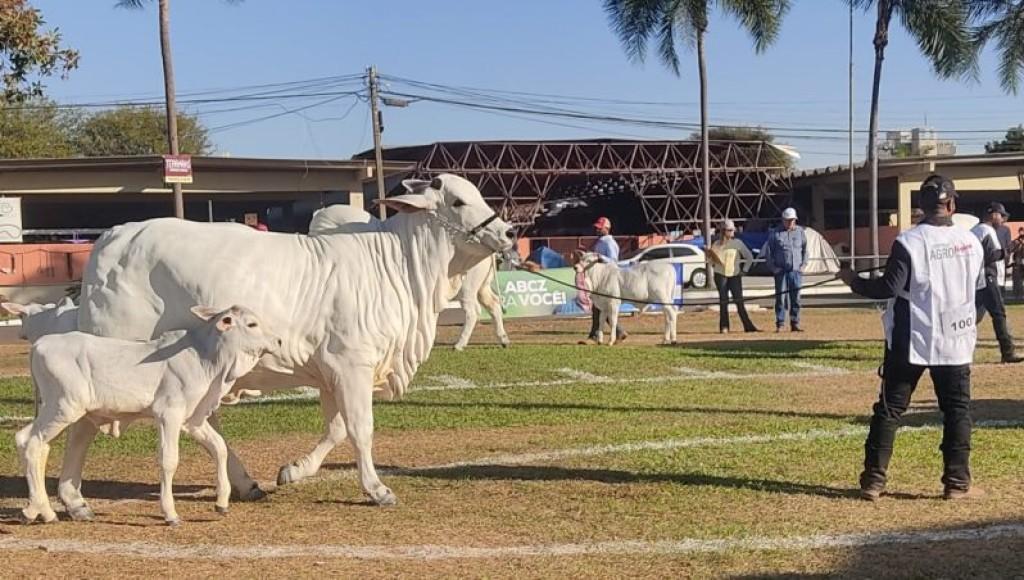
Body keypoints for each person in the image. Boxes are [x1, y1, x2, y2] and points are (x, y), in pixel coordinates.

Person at [839, 175, 985, 501]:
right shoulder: (972, 242)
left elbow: (887, 288)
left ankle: (873, 481)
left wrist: (853, 280)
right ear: (952, 204)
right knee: (957, 411)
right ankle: (957, 484)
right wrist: (970, 322)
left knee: (890, 409)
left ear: (921, 206)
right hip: (956, 340)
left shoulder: (909, 242)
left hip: (912, 338)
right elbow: (982, 293)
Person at [971, 202, 1023, 363]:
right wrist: (1011, 248)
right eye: (1001, 215)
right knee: (999, 314)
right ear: (993, 214)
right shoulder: (987, 231)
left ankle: (953, 346)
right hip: (987, 277)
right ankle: (1007, 352)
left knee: (972, 317)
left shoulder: (974, 230)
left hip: (977, 279)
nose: (1003, 219)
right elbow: (992, 256)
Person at [581, 216, 626, 345]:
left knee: (599, 307)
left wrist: (599, 258)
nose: (597, 230)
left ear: (607, 228)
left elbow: (613, 261)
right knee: (600, 306)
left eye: (600, 228)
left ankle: (595, 336)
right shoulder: (600, 241)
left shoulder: (609, 243)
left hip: (607, 278)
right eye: (597, 228)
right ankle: (618, 331)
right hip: (599, 278)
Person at [709, 219, 758, 333]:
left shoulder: (737, 243)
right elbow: (711, 260)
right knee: (723, 301)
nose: (732, 233)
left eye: (732, 230)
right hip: (720, 276)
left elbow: (749, 257)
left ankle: (748, 326)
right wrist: (713, 262)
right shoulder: (716, 244)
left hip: (735, 275)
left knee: (739, 301)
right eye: (729, 230)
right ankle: (724, 327)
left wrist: (744, 270)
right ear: (723, 231)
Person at [762, 207, 807, 332]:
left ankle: (795, 323)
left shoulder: (800, 232)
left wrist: (803, 265)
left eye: (792, 220)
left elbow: (805, 250)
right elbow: (768, 253)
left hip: (796, 271)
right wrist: (774, 268)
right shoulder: (775, 233)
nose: (790, 223)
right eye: (788, 220)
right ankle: (780, 323)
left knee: (796, 298)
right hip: (781, 271)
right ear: (783, 220)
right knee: (781, 299)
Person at [1014, 227, 1024, 300]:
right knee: (1018, 280)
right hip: (1018, 262)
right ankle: (1018, 294)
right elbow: (1014, 252)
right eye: (1020, 231)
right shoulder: (1016, 241)